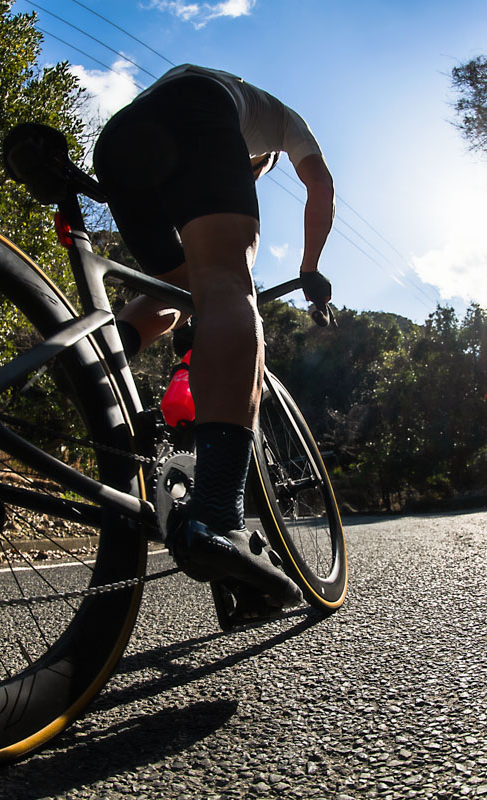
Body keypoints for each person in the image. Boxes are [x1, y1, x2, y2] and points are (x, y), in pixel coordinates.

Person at [93, 64, 334, 609]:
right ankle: (220, 513)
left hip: (120, 141)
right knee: (228, 281)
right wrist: (310, 266)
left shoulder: (205, 89)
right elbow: (320, 183)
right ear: (257, 160)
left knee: (180, 287)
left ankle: (95, 364)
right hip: (193, 115)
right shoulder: (280, 121)